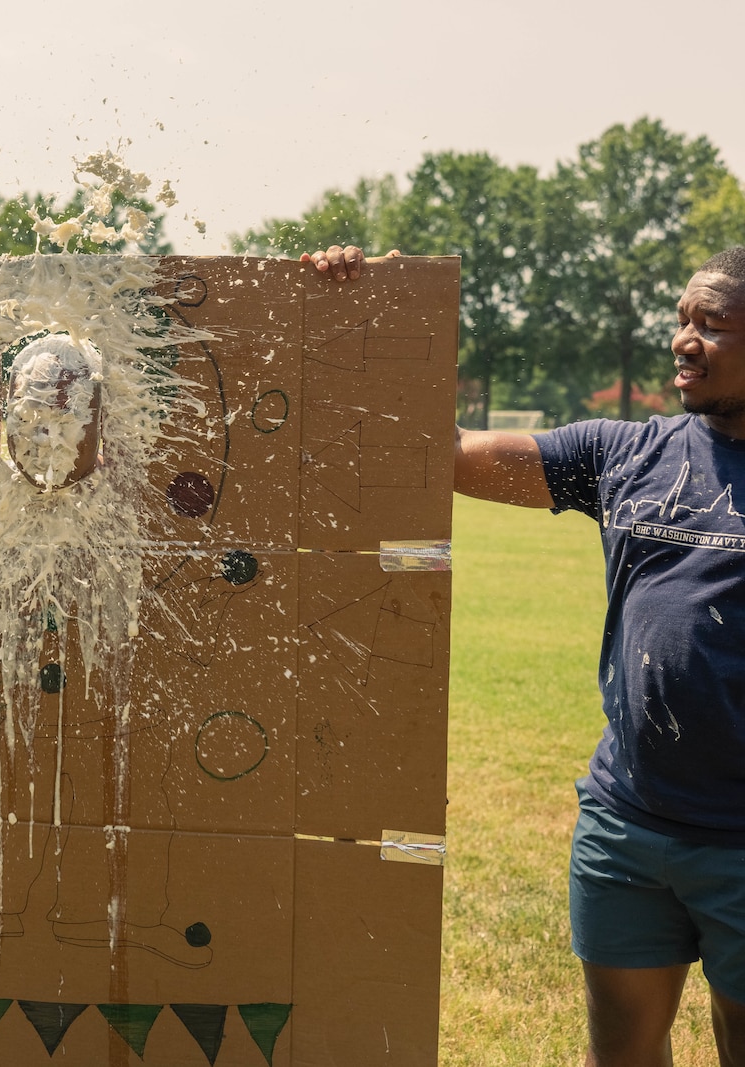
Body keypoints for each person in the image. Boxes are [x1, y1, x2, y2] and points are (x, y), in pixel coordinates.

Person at [311, 243, 745, 1067]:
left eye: (713, 325)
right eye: (683, 319)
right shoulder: (629, 455)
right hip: (628, 829)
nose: (684, 340)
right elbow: (442, 455)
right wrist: (383, 308)